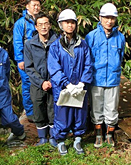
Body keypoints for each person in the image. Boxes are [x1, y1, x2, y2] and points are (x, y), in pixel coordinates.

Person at [48, 9, 92, 155]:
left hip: (79, 87)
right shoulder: (55, 46)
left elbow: (88, 64)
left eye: (72, 22)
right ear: (61, 25)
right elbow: (54, 68)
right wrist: (66, 83)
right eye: (67, 22)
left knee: (80, 112)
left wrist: (82, 83)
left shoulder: (83, 44)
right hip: (62, 88)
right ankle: (60, 141)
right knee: (62, 114)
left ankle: (77, 140)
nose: (70, 25)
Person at [85, 3, 125, 148]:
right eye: (106, 18)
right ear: (100, 18)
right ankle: (98, 135)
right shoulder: (91, 36)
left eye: (112, 18)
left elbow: (120, 56)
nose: (109, 21)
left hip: (113, 78)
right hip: (96, 78)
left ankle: (109, 135)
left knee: (112, 109)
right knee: (96, 108)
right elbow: (87, 57)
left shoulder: (120, 37)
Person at [24, 13, 58, 147]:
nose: (43, 27)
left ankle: (54, 137)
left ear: (49, 25)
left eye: (46, 24)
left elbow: (60, 63)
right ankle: (43, 137)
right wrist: (41, 82)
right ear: (36, 27)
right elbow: (29, 67)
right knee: (38, 109)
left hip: (53, 82)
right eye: (40, 24)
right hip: (37, 84)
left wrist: (52, 81)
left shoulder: (57, 41)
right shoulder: (30, 44)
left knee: (53, 109)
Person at [13, 0, 41, 121]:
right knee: (27, 85)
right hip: (26, 59)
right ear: (27, 6)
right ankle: (30, 113)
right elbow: (17, 42)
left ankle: (40, 111)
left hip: (40, 60)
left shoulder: (41, 21)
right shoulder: (21, 23)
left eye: (38, 5)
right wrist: (20, 60)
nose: (36, 7)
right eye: (33, 5)